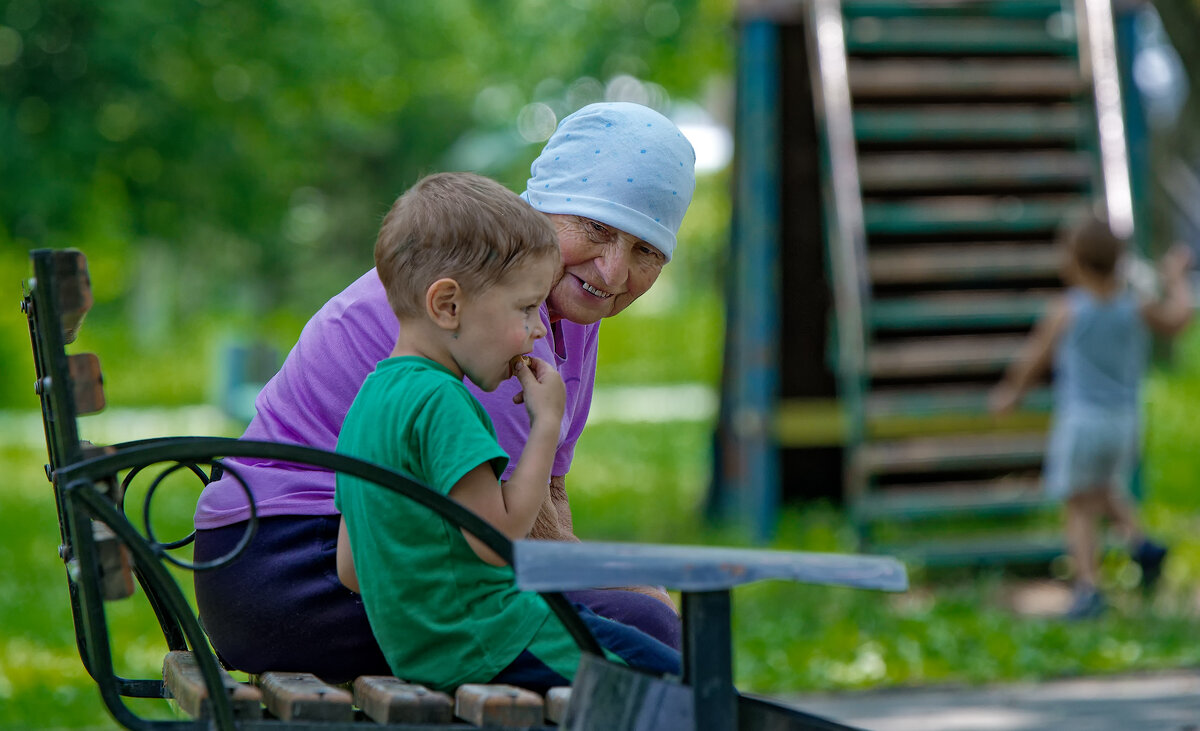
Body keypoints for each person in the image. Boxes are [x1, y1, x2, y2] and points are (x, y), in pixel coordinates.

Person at [193, 102, 696, 682]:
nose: (612, 272)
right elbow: (507, 533)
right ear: (541, 207)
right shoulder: (477, 316)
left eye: (646, 251)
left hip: (357, 553)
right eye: (597, 229)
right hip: (287, 570)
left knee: (629, 618)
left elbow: (548, 497)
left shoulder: (557, 309)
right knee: (642, 629)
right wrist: (637, 587)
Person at [333, 171, 680, 692]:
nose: (539, 329)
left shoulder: (370, 400)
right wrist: (546, 425)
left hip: (426, 654)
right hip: (499, 638)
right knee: (684, 686)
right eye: (525, 309)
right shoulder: (443, 401)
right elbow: (498, 541)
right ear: (448, 306)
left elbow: (351, 568)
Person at [989, 214, 1193, 619]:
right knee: (1102, 488)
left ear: (1073, 261)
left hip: (1081, 421)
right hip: (1124, 421)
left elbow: (1035, 359)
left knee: (1078, 504)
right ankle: (1141, 543)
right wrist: (1175, 277)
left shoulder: (1067, 310)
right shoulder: (1136, 305)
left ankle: (1088, 586)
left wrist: (1010, 393)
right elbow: (1179, 320)